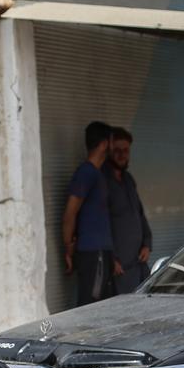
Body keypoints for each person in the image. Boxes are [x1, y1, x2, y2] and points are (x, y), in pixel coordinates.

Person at [63, 121, 116, 307]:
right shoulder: (86, 173)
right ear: (104, 144)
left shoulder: (97, 174)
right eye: (111, 142)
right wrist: (68, 247)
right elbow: (70, 212)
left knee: (103, 303)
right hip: (93, 253)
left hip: (102, 252)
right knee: (91, 305)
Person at [106, 127, 153, 294]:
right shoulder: (102, 181)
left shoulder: (128, 180)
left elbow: (139, 215)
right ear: (108, 151)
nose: (122, 155)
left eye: (125, 150)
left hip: (139, 264)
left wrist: (147, 244)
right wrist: (110, 259)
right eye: (117, 150)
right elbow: (100, 223)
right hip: (119, 268)